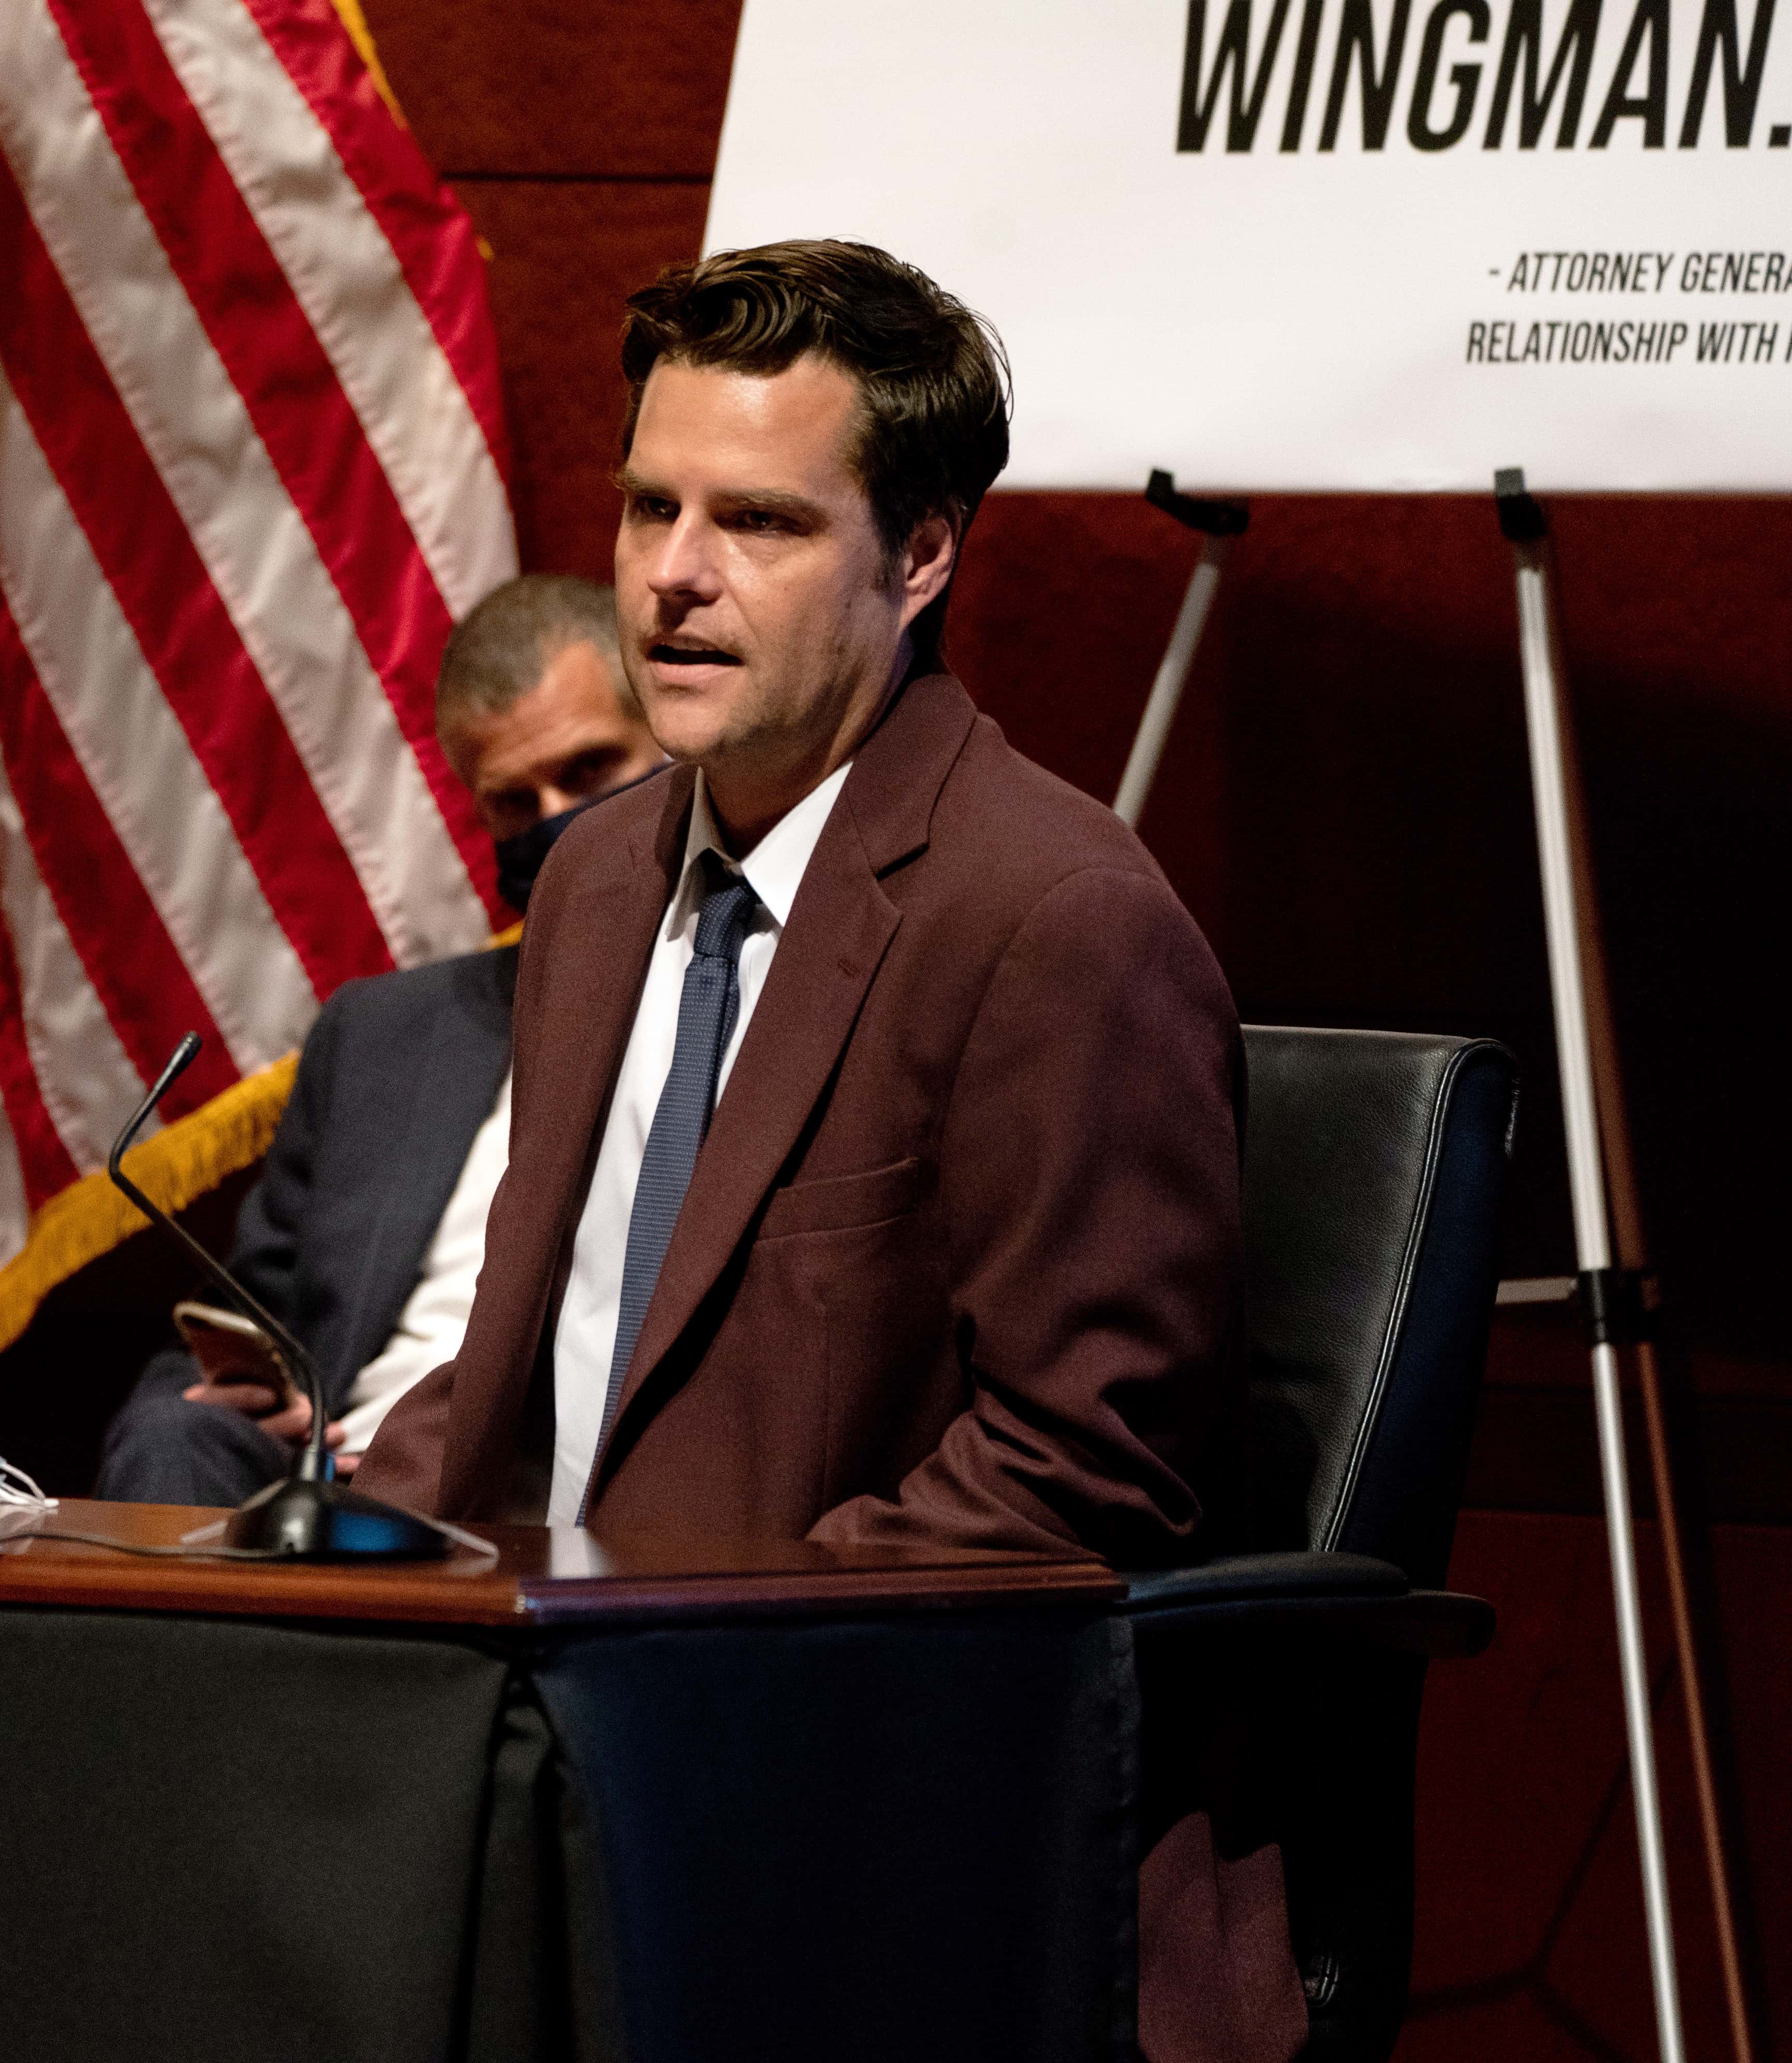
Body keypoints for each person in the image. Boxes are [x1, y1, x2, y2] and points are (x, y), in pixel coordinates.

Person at [351, 243, 1282, 2059]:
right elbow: (550, 1347)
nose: (673, 576)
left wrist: (693, 1654)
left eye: (760, 523)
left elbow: (1079, 1478)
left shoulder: (1059, 920)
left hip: (866, 1818)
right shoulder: (602, 879)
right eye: (651, 507)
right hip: (553, 1770)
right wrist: (297, 1552)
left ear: (920, 554)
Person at [92, 574, 664, 1506]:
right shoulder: (380, 1035)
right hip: (334, 1471)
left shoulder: (749, 993)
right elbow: (249, 1315)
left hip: (541, 1475)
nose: (556, 819)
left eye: (590, 770)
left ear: (673, 744)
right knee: (172, 1436)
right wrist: (230, 1394)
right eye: (514, 802)